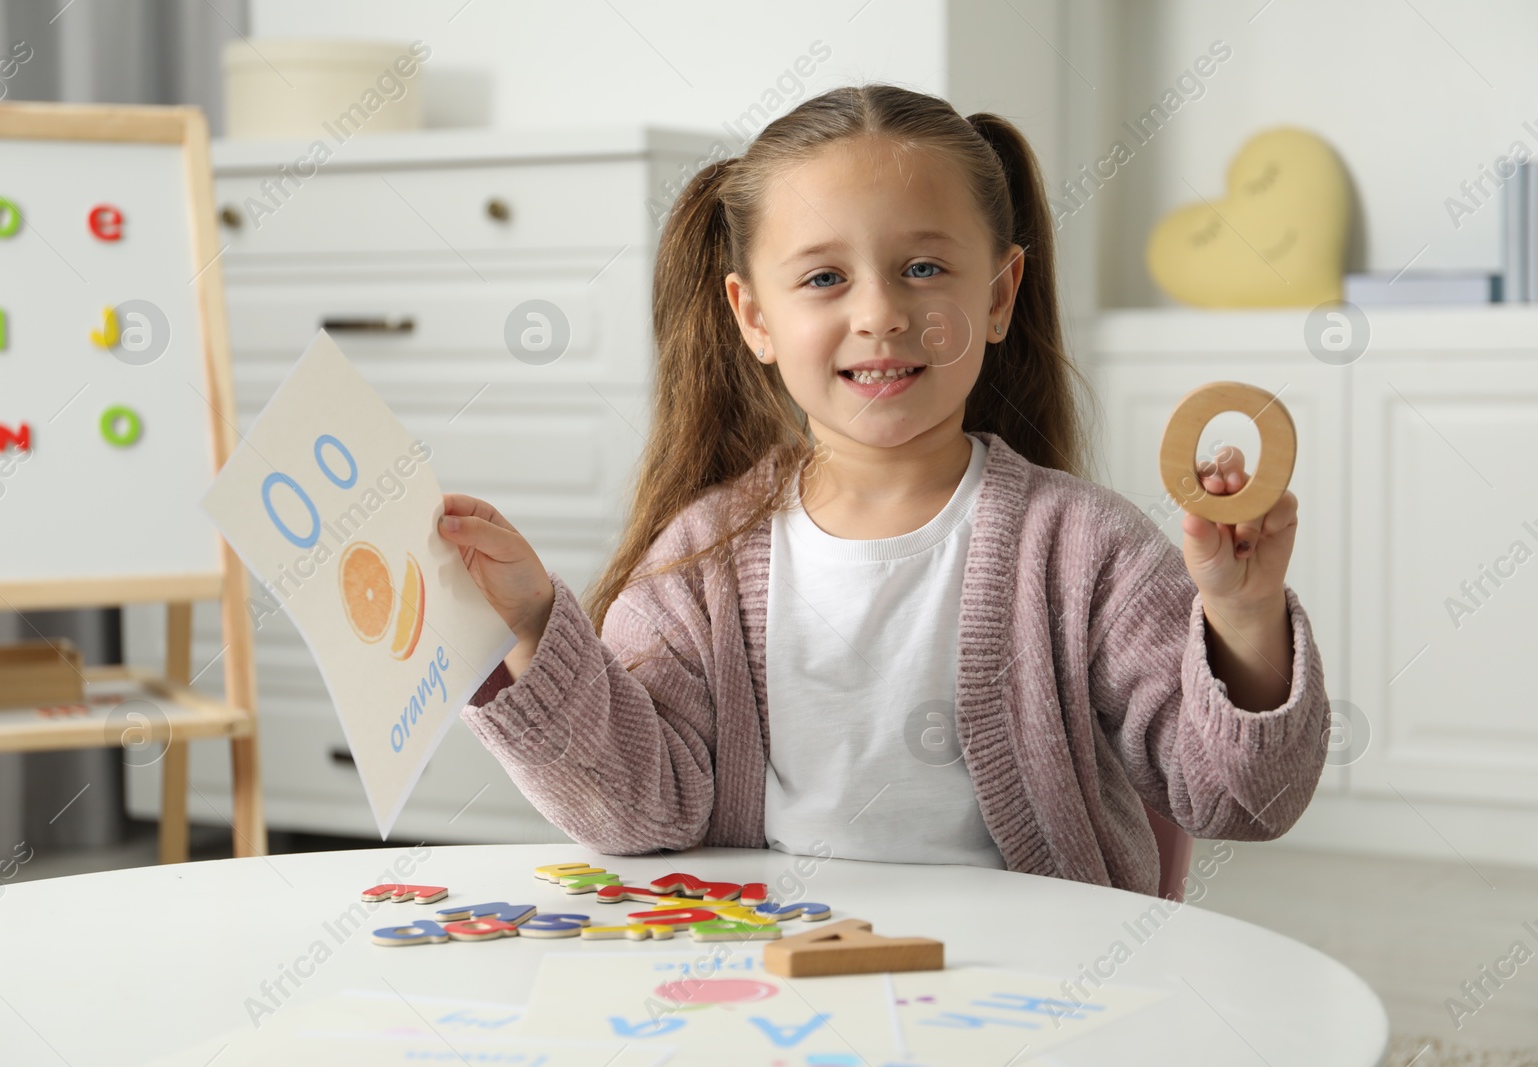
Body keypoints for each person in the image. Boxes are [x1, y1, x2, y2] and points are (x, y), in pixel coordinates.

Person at [435, 83, 1330, 897]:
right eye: (825, 278)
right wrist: (533, 629)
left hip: (1039, 979)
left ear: (1000, 293)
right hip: (780, 976)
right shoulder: (698, 559)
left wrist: (1244, 618)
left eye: (925, 269)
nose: (881, 314)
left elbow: (1240, 803)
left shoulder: (1087, 545)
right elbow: (638, 812)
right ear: (755, 318)